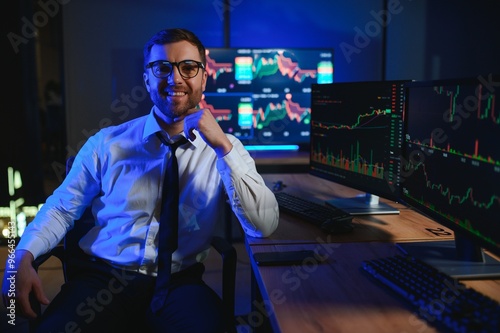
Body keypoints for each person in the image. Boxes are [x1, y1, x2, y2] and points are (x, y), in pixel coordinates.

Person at [2, 28, 279, 332]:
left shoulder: (227, 149)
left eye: (188, 67)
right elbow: (61, 209)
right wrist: (22, 256)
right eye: (162, 68)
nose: (175, 79)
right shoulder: (106, 143)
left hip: (179, 282)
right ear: (147, 78)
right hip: (103, 279)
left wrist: (223, 149)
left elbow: (263, 226)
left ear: (203, 77)